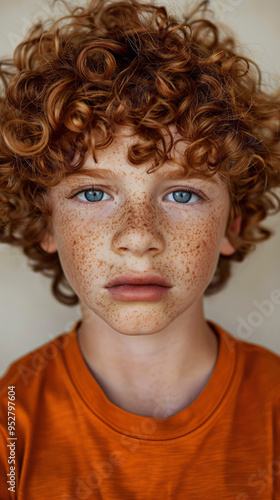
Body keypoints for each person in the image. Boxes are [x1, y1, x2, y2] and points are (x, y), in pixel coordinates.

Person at [0, 0, 279, 497]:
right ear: (45, 221)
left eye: (182, 193)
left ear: (232, 223)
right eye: (92, 193)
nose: (139, 235)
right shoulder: (12, 424)